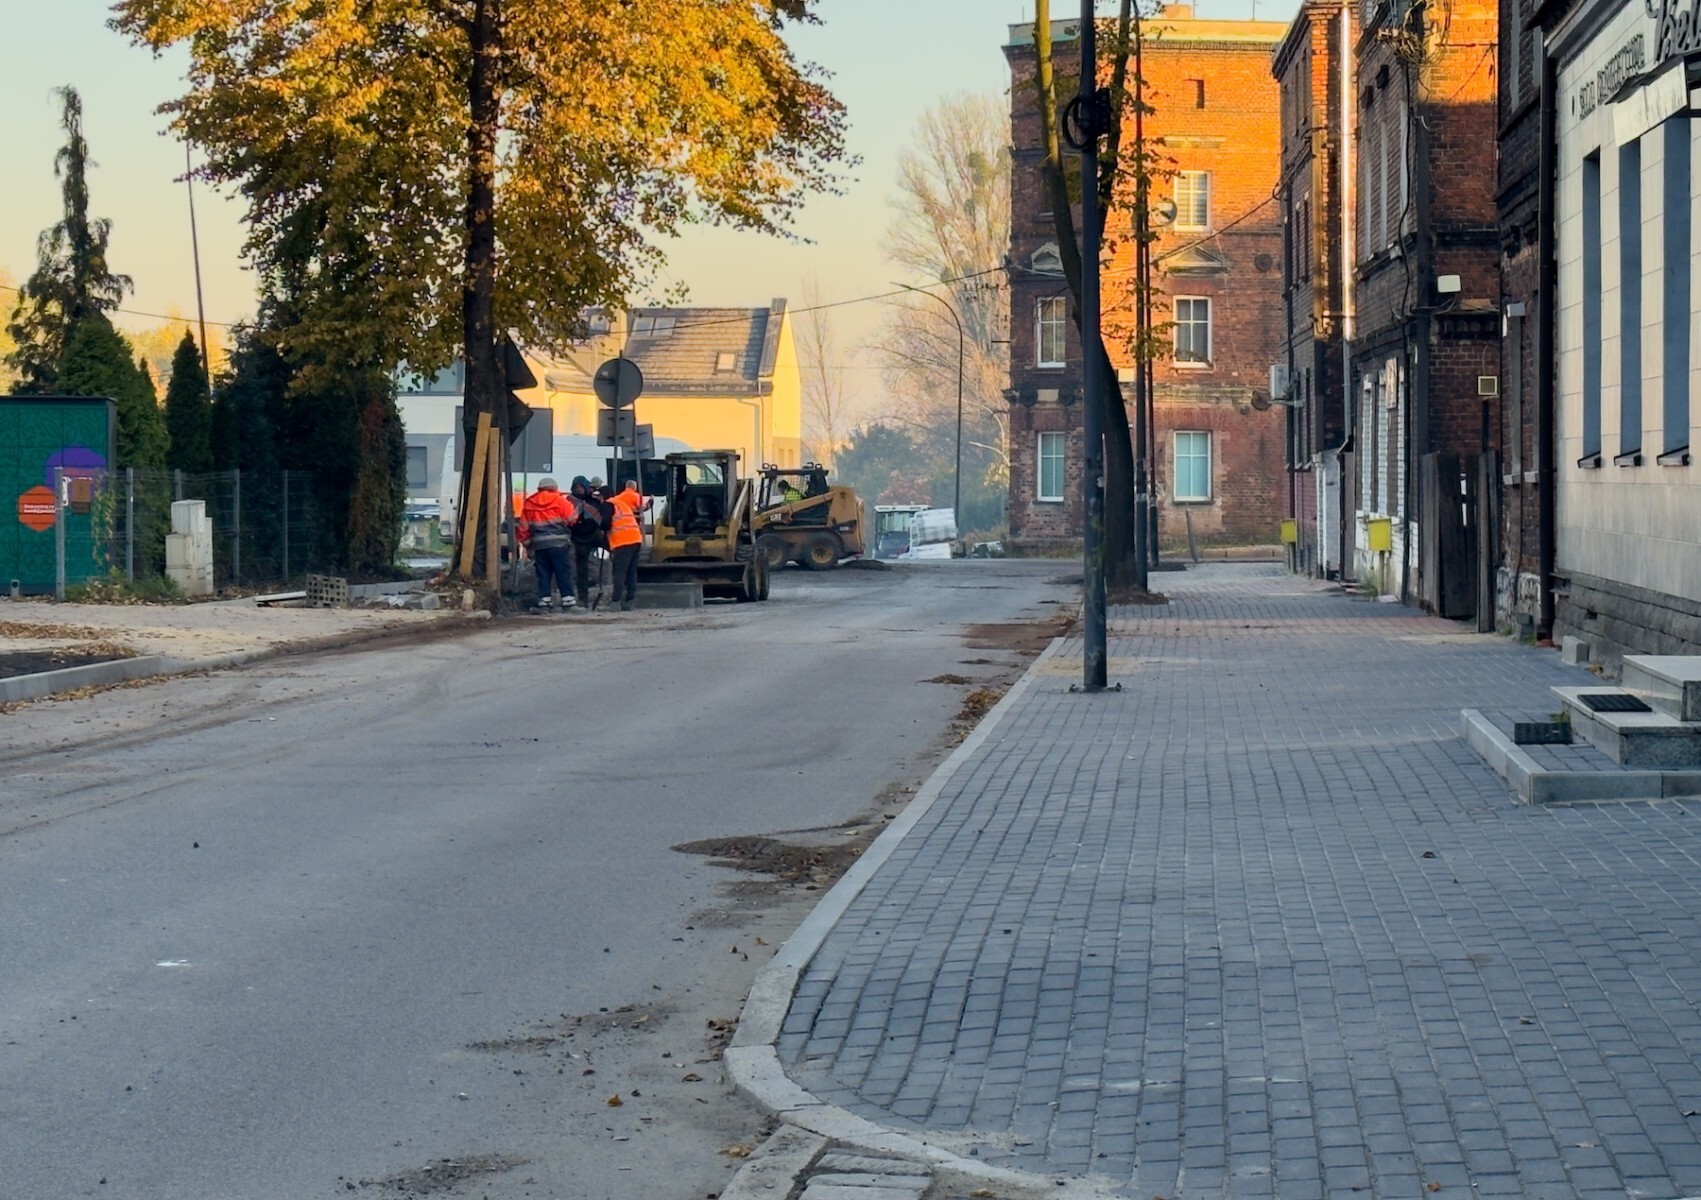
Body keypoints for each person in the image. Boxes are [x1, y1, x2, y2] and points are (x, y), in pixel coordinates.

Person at [517, 477, 581, 611]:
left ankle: (544, 601)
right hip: (559, 543)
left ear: (539, 488)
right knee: (562, 571)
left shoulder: (530, 503)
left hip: (539, 545)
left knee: (543, 573)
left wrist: (528, 545)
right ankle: (568, 601)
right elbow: (572, 519)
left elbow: (523, 528)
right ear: (554, 488)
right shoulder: (560, 501)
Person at [568, 476, 614, 609]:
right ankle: (583, 598)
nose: (579, 490)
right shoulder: (570, 502)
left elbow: (602, 518)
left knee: (612, 557)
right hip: (578, 537)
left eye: (581, 487)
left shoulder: (594, 502)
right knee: (581, 568)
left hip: (594, 535)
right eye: (577, 487)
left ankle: (613, 589)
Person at [607, 480, 649, 612]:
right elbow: (643, 508)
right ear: (634, 487)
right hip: (635, 537)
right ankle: (630, 600)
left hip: (622, 540)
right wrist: (650, 504)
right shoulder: (635, 497)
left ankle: (616, 601)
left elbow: (606, 524)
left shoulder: (617, 500)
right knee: (631, 571)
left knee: (619, 571)